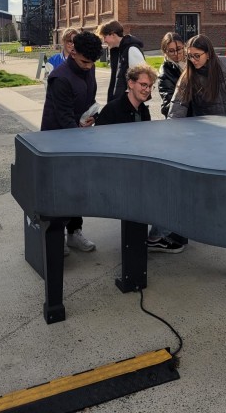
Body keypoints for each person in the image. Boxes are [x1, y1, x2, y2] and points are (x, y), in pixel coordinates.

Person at [96, 64, 185, 254]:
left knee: (176, 180)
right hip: (119, 173)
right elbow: (101, 148)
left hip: (136, 169)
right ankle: (156, 236)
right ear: (130, 83)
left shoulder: (143, 111)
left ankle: (161, 231)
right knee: (166, 189)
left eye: (150, 86)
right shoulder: (113, 110)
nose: (146, 89)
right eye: (143, 85)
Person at [41, 30, 103, 253]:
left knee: (78, 185)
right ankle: (54, 235)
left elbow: (91, 98)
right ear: (73, 52)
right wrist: (78, 129)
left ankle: (74, 232)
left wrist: (92, 117)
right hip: (58, 137)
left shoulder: (90, 66)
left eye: (92, 62)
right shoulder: (60, 77)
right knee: (61, 187)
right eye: (85, 62)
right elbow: (63, 116)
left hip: (77, 132)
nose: (88, 66)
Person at [168, 34, 226, 119]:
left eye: (197, 56)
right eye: (189, 56)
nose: (192, 60)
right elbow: (178, 106)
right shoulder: (187, 76)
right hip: (207, 127)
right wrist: (173, 128)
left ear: (208, 54)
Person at [97, 20, 144, 102]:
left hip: (128, 104)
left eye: (105, 37)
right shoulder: (117, 51)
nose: (104, 41)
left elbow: (141, 78)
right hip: (118, 104)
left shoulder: (132, 50)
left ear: (113, 35)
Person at [157, 32, 186, 117]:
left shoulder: (193, 62)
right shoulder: (164, 72)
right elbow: (169, 104)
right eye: (171, 51)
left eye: (179, 49)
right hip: (180, 118)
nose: (176, 54)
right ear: (165, 51)